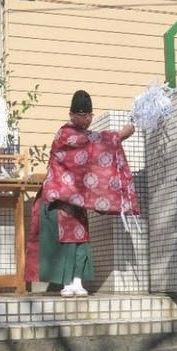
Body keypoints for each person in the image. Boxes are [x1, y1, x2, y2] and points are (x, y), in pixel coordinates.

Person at [25, 90, 139, 297]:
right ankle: (67, 282)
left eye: (89, 116)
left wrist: (121, 135)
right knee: (66, 240)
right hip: (58, 199)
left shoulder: (84, 136)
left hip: (75, 198)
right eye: (82, 115)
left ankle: (77, 281)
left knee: (80, 238)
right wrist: (119, 136)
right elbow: (92, 143)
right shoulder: (65, 135)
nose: (87, 120)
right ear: (71, 114)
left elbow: (93, 147)